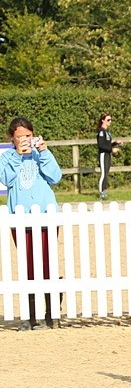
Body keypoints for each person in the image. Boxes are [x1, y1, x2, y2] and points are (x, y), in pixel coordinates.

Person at [3, 117, 62, 329]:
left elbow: (55, 177)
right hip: (21, 218)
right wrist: (18, 156)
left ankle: (51, 313)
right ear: (12, 138)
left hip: (46, 215)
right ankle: (30, 316)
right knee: (27, 266)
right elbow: (6, 179)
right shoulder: (6, 157)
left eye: (28, 135)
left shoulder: (41, 153)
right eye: (20, 136)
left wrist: (44, 152)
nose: (25, 140)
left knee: (47, 263)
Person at [96, 113, 121, 200]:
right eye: (108, 120)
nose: (110, 121)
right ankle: (101, 193)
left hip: (107, 154)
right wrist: (112, 149)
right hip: (103, 154)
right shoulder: (101, 131)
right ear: (103, 120)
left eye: (110, 120)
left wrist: (115, 143)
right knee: (103, 174)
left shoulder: (107, 132)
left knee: (106, 173)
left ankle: (104, 191)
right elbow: (101, 145)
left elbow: (107, 144)